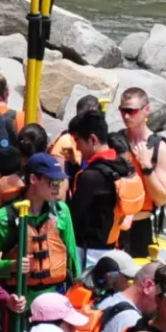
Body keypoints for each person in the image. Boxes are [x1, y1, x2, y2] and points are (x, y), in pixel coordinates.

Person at [0, 151, 74, 304]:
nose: (57, 188)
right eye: (52, 182)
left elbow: (72, 256)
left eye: (60, 182)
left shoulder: (62, 211)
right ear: (33, 179)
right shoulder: (2, 218)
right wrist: (11, 266)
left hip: (57, 298)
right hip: (21, 300)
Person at [65, 110, 136, 271]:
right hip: (114, 246)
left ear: (92, 139)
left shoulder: (91, 177)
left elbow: (73, 218)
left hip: (90, 254)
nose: (77, 147)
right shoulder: (124, 166)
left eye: (78, 141)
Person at [112, 87, 166, 257]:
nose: (126, 116)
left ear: (146, 110)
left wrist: (146, 167)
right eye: (123, 110)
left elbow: (161, 198)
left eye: (131, 111)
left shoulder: (159, 148)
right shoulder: (115, 142)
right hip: (115, 224)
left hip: (143, 227)